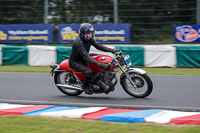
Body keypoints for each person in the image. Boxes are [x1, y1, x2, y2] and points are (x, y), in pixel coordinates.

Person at [69, 23, 118, 94]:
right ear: (83, 33)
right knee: (88, 71)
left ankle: (103, 82)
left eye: (91, 33)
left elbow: (99, 46)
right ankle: (85, 86)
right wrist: (102, 65)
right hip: (76, 62)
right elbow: (87, 58)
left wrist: (112, 50)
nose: (90, 35)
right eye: (88, 33)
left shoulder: (88, 39)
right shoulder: (79, 42)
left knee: (100, 58)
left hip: (83, 57)